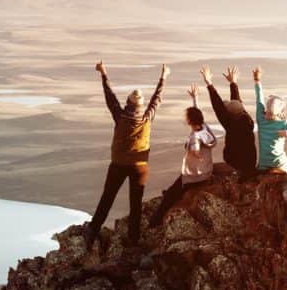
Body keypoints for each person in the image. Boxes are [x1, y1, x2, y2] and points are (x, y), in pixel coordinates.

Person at [84, 60, 167, 250]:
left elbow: (110, 97)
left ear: (128, 103)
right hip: (140, 167)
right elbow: (157, 99)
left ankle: (92, 231)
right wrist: (163, 77)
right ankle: (134, 239)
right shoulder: (147, 119)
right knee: (135, 203)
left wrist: (103, 73)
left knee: (107, 198)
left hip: (119, 164)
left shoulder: (120, 117)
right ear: (141, 105)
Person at [148, 84, 217, 227]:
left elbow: (195, 147)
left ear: (190, 121)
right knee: (175, 187)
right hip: (206, 171)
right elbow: (199, 116)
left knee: (169, 196)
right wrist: (195, 98)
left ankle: (155, 222)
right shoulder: (205, 128)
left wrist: (195, 153)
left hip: (195, 176)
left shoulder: (195, 137)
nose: (184, 118)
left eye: (186, 117)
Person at [201, 65, 257, 181]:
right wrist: (233, 83)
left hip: (235, 167)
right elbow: (236, 103)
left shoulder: (231, 125)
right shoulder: (246, 119)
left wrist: (209, 83)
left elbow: (218, 106)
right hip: (249, 166)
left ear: (230, 115)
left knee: (206, 171)